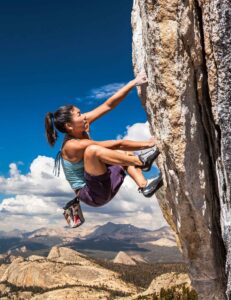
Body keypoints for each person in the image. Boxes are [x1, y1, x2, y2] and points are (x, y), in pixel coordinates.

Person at [45, 71, 163, 214]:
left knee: (121, 154)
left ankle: (145, 186)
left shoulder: (80, 125)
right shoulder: (72, 146)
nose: (83, 116)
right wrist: (148, 144)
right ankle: (142, 162)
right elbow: (115, 143)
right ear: (69, 126)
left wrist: (134, 82)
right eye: (79, 114)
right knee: (93, 151)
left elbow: (108, 105)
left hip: (103, 182)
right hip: (92, 194)